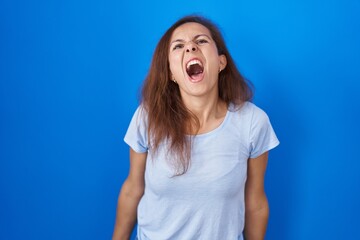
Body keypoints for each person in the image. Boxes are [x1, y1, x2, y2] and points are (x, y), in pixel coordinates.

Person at [112, 15, 279, 240]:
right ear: (171, 72)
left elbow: (256, 203)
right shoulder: (148, 117)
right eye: (179, 46)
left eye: (201, 41)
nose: (190, 47)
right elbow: (133, 188)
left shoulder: (252, 122)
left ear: (221, 62)